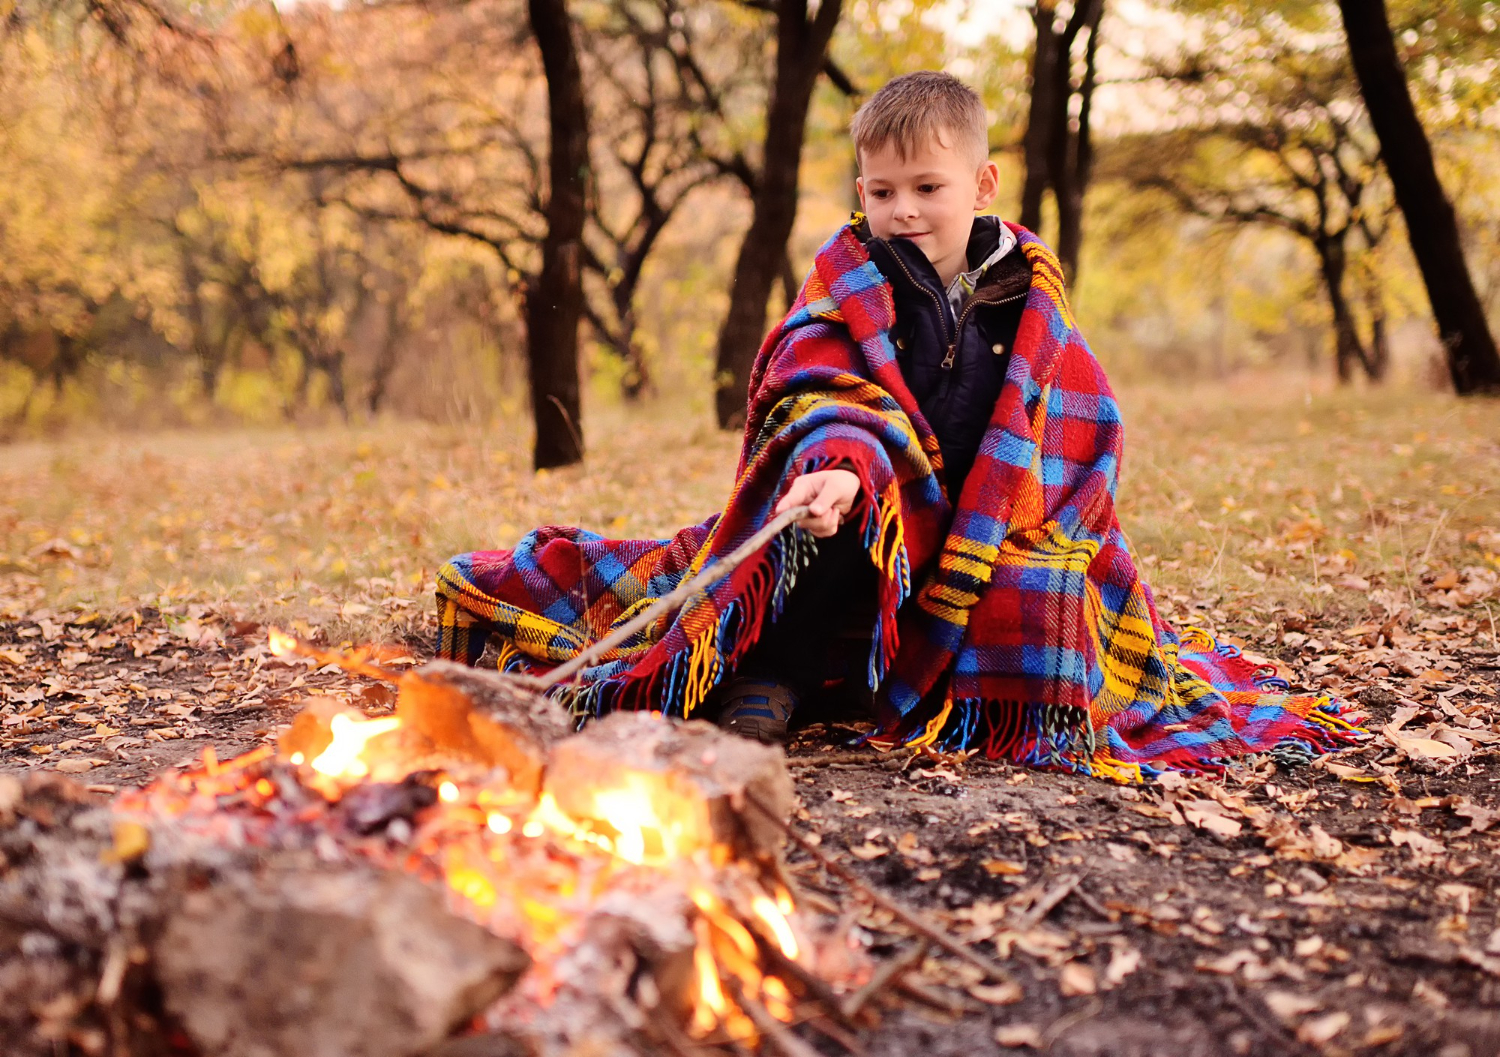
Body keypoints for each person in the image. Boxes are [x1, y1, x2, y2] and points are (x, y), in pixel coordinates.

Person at [434, 72, 1363, 781]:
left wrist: (1037, 514)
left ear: (982, 183)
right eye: (881, 192)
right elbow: (821, 386)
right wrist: (836, 463)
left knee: (1049, 592)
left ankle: (933, 675)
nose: (903, 210)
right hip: (870, 507)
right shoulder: (852, 283)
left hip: (984, 524)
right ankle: (778, 672)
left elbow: (1082, 420)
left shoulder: (1029, 303)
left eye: (927, 187)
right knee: (827, 529)